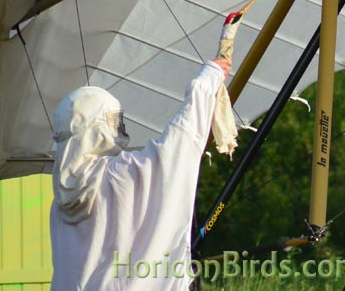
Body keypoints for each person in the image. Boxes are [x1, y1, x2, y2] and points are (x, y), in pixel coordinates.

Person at [50, 53, 231, 290]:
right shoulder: (117, 175)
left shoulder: (59, 202)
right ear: (95, 127)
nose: (119, 129)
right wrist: (206, 80)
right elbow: (177, 147)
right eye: (114, 121)